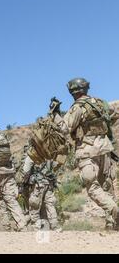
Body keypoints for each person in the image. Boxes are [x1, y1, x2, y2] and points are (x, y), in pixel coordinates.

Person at [51, 78, 119, 229]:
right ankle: (113, 224)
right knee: (107, 186)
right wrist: (101, 133)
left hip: (87, 151)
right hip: (105, 149)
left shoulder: (77, 108)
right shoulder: (101, 103)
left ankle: (115, 212)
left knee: (93, 187)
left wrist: (55, 114)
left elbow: (64, 129)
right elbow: (114, 116)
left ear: (72, 91)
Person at [18, 155, 60, 230]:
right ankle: (55, 226)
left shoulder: (32, 155)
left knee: (34, 206)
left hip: (38, 186)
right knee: (50, 205)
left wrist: (22, 185)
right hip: (49, 184)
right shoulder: (49, 154)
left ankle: (36, 228)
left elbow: (25, 172)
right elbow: (55, 167)